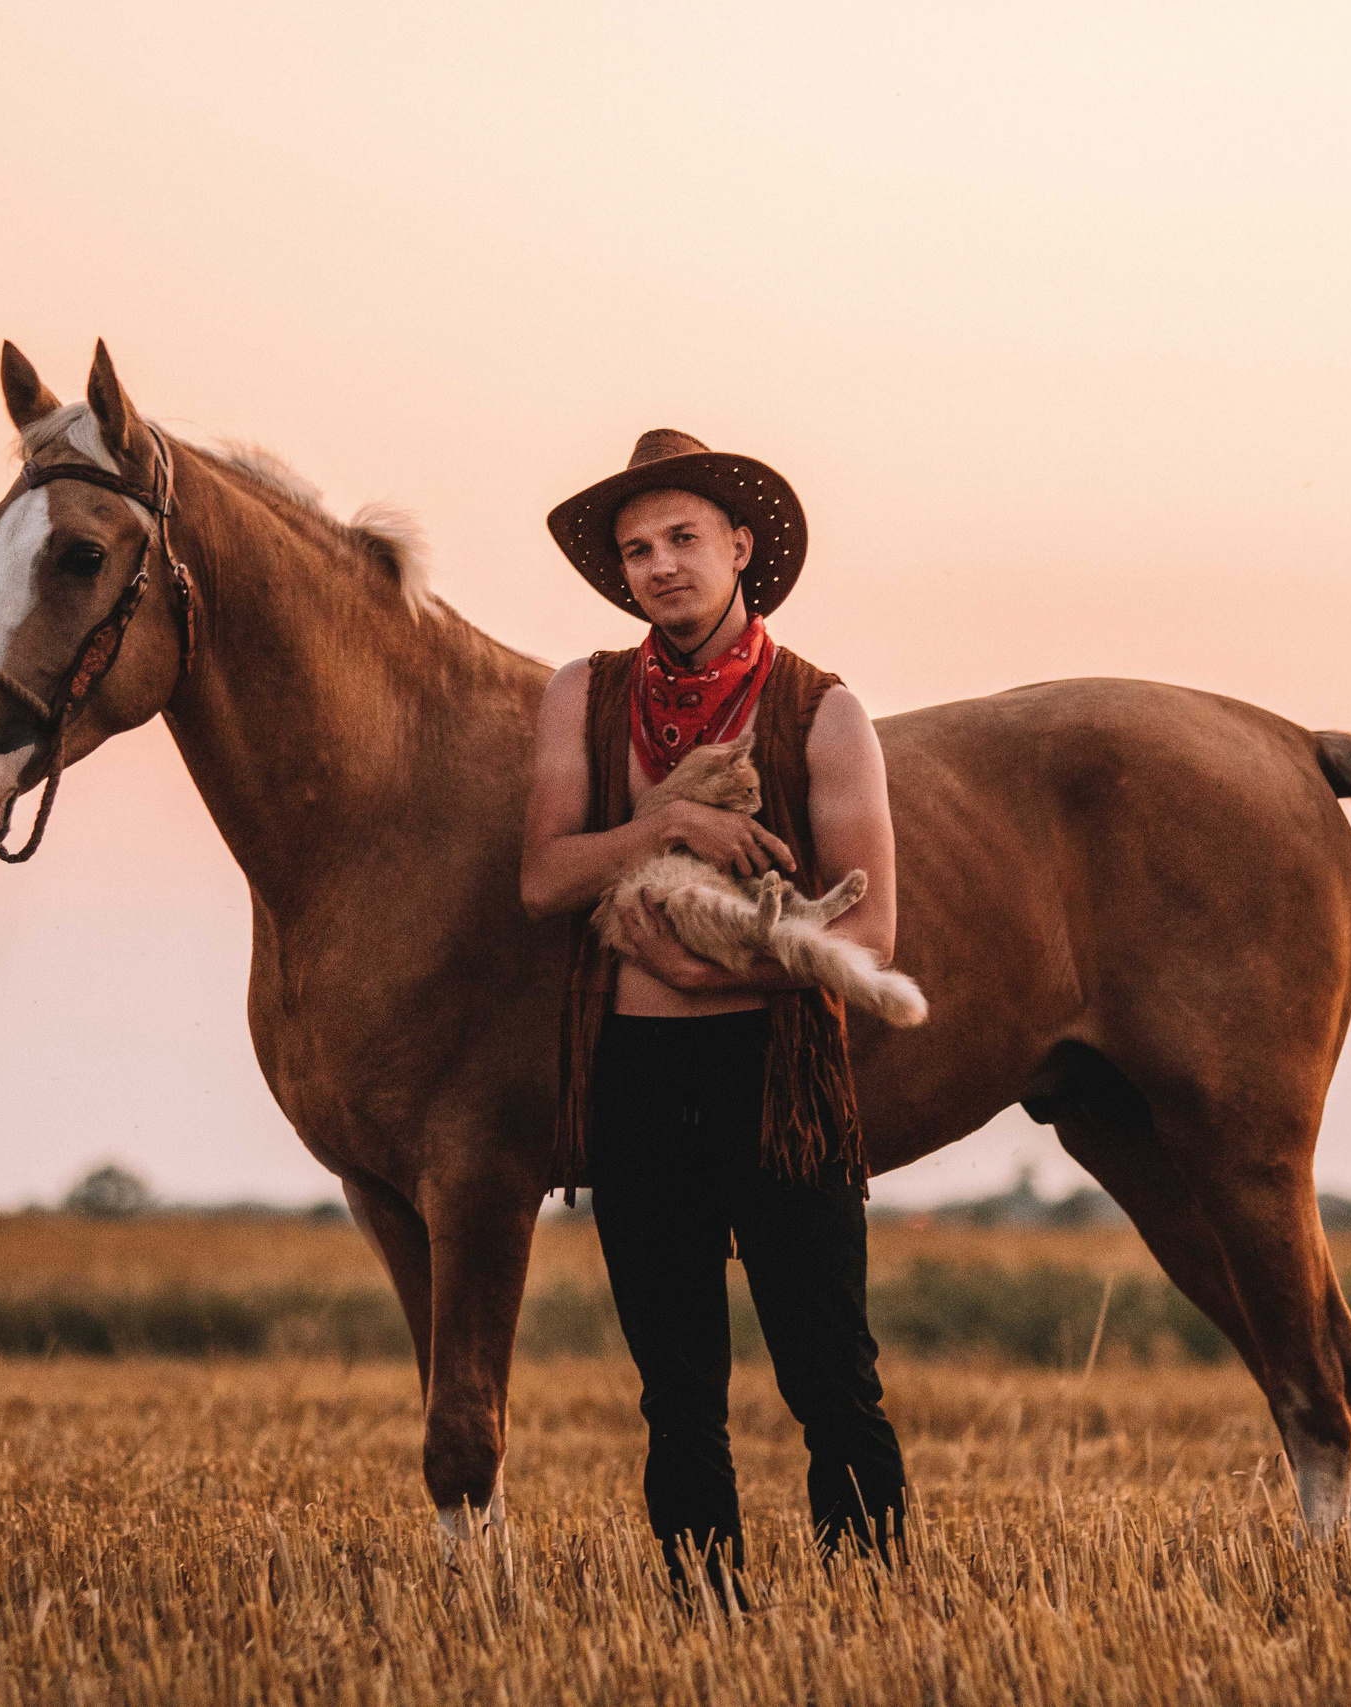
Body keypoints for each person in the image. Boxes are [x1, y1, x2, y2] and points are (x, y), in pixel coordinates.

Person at [520, 430, 909, 1606]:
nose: (660, 565)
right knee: (677, 1391)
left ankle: (869, 1613)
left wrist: (708, 978)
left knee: (831, 1376)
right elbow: (543, 880)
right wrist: (672, 826)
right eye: (637, 550)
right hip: (634, 1074)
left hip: (778, 1076)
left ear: (741, 546)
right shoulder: (584, 696)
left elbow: (870, 936)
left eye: (682, 537)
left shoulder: (823, 712)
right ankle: (703, 1611)